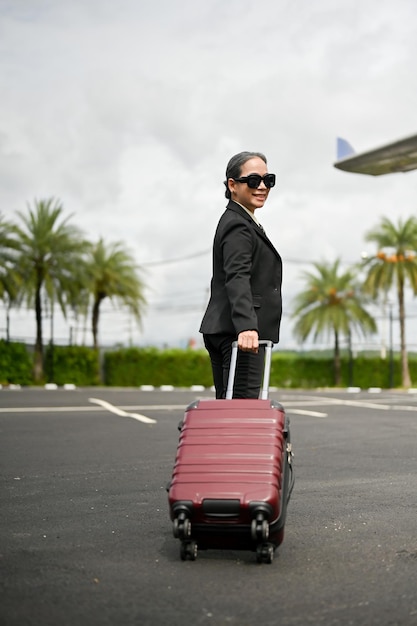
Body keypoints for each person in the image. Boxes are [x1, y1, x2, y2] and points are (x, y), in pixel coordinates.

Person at [200, 151, 283, 399]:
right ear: (232, 185)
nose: (262, 187)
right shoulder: (238, 224)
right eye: (253, 180)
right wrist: (247, 326)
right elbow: (237, 276)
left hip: (229, 330)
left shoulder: (243, 221)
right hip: (239, 334)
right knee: (239, 413)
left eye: (268, 180)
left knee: (229, 411)